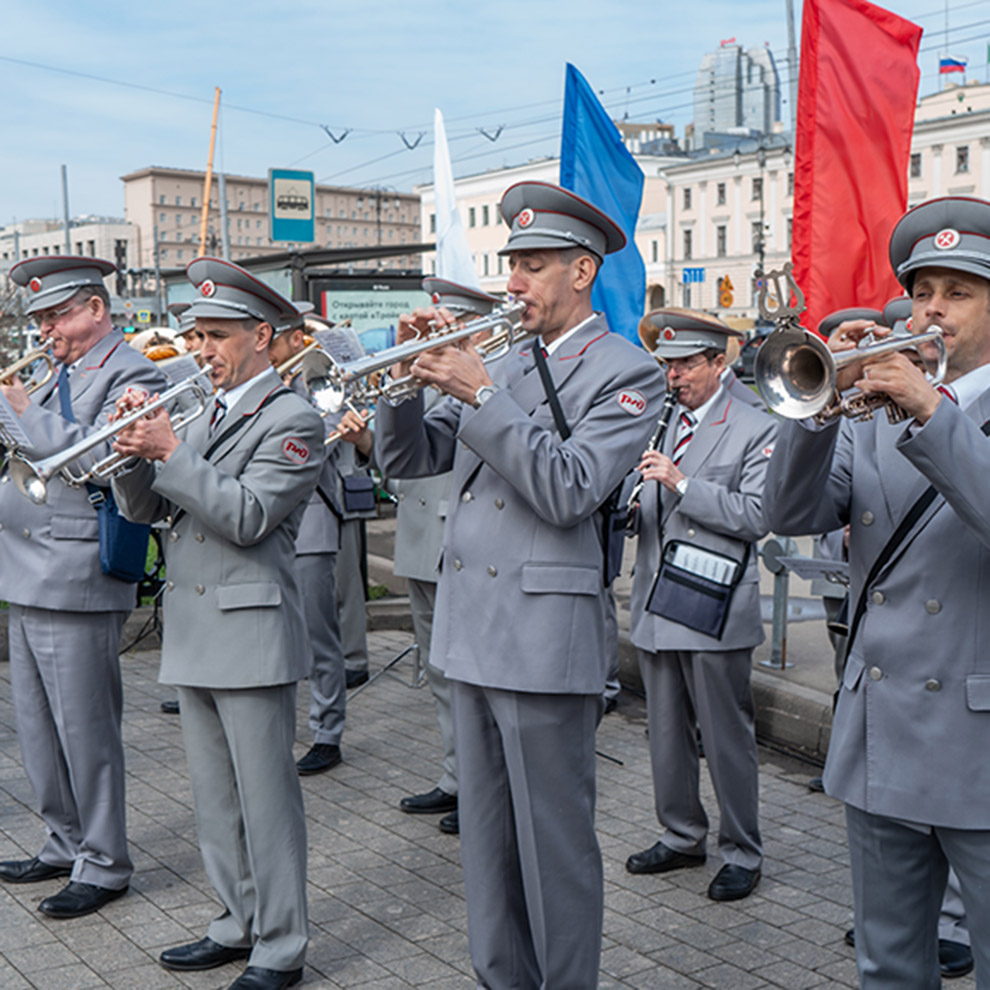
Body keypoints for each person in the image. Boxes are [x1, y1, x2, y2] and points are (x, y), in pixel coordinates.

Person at [376, 181, 665, 989]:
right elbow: (409, 461)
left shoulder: (626, 370)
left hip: (544, 641)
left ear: (582, 271)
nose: (513, 284)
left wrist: (480, 391)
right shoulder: (500, 362)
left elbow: (571, 488)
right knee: (488, 847)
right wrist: (404, 380)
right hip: (471, 633)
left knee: (555, 850)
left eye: (532, 267)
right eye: (513, 266)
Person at [763, 196, 990, 987]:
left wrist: (932, 411)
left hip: (981, 741)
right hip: (883, 728)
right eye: (924, 290)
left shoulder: (923, 409)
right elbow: (786, 513)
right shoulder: (876, 413)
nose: (933, 309)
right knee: (888, 964)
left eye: (959, 292)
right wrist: (818, 408)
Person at [111, 258, 324, 990]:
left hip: (251, 631)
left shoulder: (293, 418)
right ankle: (236, 922)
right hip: (197, 628)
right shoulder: (204, 410)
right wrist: (129, 453)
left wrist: (170, 451)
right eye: (197, 334)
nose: (201, 349)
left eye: (218, 335)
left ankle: (282, 945)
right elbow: (149, 512)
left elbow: (247, 517)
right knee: (215, 800)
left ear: (262, 335)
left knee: (266, 803)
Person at [0, 257, 166, 918]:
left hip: (75, 572)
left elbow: (107, 458)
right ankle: (62, 840)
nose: (46, 331)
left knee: (85, 729)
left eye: (57, 315)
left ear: (97, 308)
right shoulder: (52, 374)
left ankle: (104, 861)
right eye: (39, 319)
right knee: (38, 727)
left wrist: (19, 410)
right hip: (23, 566)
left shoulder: (132, 370)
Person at [624, 308, 776, 902]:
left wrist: (682, 483)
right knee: (664, 732)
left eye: (686, 363)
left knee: (725, 735)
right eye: (668, 364)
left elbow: (758, 516)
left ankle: (743, 850)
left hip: (713, 604)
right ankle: (682, 833)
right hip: (659, 600)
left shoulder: (756, 423)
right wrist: (635, 505)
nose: (674, 375)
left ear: (721, 361)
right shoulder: (663, 421)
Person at [392, 276, 502, 835]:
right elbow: (398, 457)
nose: (439, 327)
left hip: (456, 539)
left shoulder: (483, 372)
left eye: (451, 320)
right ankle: (457, 775)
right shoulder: (427, 369)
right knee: (438, 671)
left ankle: (479, 784)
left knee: (471, 677)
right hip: (419, 535)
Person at [268, 311, 347, 775]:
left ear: (297, 340)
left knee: (319, 635)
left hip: (313, 521)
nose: (268, 354)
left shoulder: (321, 380)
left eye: (274, 343)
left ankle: (328, 732)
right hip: (269, 522)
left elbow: (328, 440)